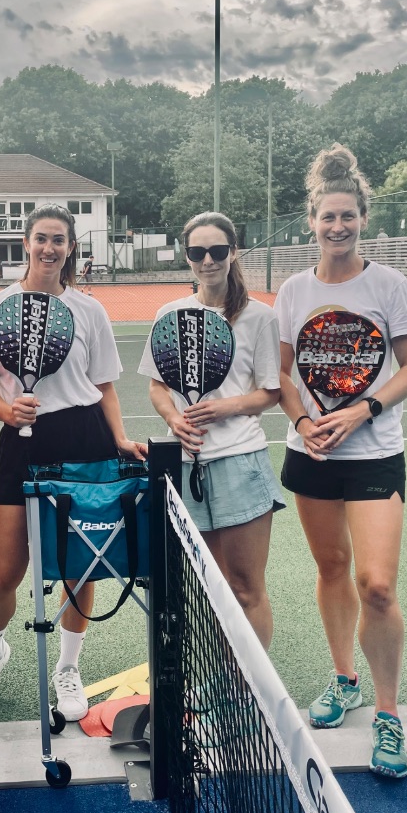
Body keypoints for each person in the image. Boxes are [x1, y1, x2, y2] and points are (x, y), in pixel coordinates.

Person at [0, 204, 147, 721]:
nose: (49, 248)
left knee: (78, 568)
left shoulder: (89, 310)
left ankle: (67, 667)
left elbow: (104, 386)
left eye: (58, 240)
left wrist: (120, 439)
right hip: (20, 444)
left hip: (84, 439)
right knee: (2, 573)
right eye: (41, 238)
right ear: (26, 243)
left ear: (70, 248)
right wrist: (7, 410)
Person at [275, 144, 407, 780]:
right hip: (311, 454)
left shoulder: (388, 285)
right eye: (327, 217)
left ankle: (388, 714)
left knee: (378, 585)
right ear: (312, 221)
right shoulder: (294, 290)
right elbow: (282, 375)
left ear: (363, 218)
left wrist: (363, 410)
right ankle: (345, 680)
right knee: (332, 566)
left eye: (348, 216)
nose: (338, 226)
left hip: (374, 453)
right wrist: (303, 423)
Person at [139, 212, 284, 647]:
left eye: (217, 251)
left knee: (246, 588)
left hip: (240, 462)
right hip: (186, 467)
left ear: (233, 252)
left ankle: (249, 683)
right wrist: (174, 420)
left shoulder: (259, 317)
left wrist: (225, 407)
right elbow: (157, 386)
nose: (208, 260)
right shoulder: (170, 315)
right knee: (212, 588)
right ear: (187, 257)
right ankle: (222, 672)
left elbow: (270, 392)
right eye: (198, 252)